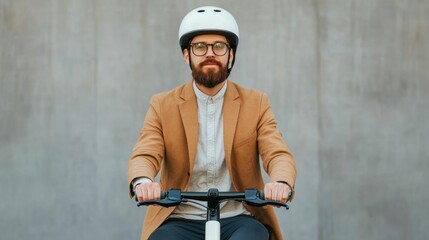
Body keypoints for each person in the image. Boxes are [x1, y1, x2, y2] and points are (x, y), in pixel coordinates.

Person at [128, 6, 297, 240]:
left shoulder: (256, 102)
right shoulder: (162, 104)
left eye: (219, 46)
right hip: (180, 217)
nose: (210, 53)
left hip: (239, 216)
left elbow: (277, 153)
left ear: (231, 55)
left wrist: (280, 182)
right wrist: (143, 182)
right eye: (200, 47)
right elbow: (145, 153)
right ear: (187, 55)